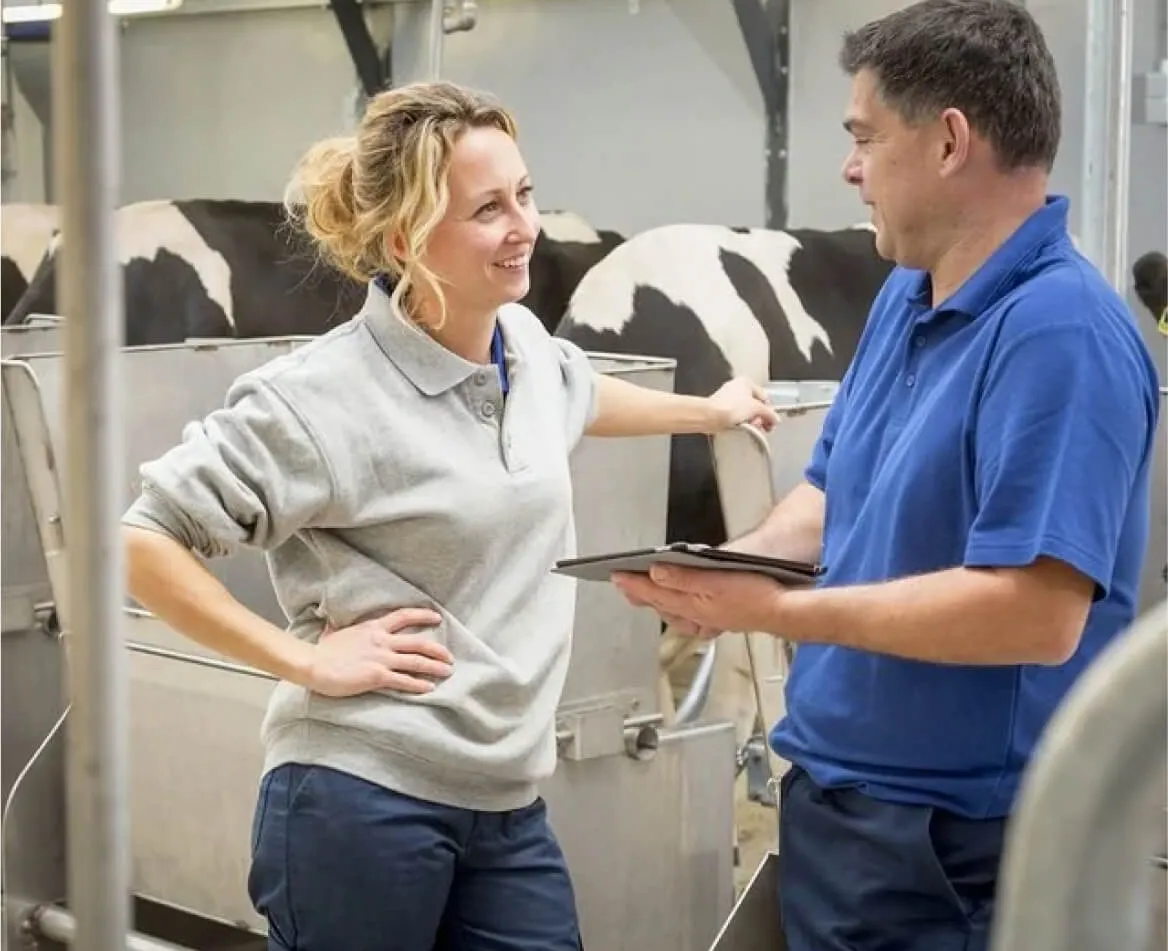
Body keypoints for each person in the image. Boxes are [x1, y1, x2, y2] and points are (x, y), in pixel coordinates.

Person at [121, 80, 779, 951]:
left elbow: (580, 397)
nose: (525, 226)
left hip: (505, 801)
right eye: (487, 209)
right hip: (361, 798)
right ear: (405, 240)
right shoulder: (321, 399)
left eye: (525, 194)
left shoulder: (527, 350)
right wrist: (304, 661)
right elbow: (140, 540)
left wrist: (712, 410)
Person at [612, 2, 1162, 950]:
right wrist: (728, 563)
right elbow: (832, 496)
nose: (849, 167)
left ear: (949, 142)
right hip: (845, 811)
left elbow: (1034, 610)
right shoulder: (909, 293)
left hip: (950, 850)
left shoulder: (1060, 333)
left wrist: (775, 613)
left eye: (865, 136)